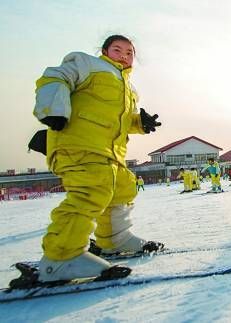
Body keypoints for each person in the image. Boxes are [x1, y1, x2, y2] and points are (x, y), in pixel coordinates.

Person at [26, 35, 163, 284]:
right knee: (90, 192)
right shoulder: (87, 64)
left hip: (111, 153)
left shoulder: (130, 89)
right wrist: (53, 109)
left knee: (123, 187)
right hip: (79, 143)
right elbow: (54, 76)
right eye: (117, 49)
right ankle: (61, 258)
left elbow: (119, 119)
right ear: (104, 50)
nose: (124, 55)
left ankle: (114, 239)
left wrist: (139, 123)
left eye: (130, 52)